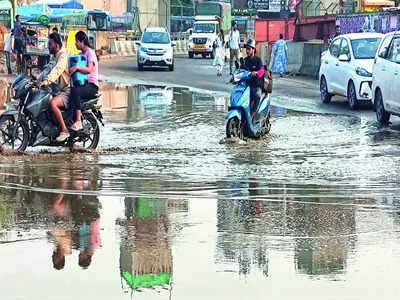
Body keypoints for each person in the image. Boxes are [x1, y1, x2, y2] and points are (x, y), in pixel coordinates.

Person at [38, 32, 71, 142]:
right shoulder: (55, 56)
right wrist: (37, 80)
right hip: (58, 89)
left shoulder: (62, 56)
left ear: (56, 45)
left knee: (53, 103)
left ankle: (64, 130)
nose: (48, 46)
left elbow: (58, 69)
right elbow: (48, 70)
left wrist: (46, 81)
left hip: (67, 90)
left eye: (50, 44)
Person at [69, 31, 99, 132]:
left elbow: (89, 69)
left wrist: (77, 67)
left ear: (82, 42)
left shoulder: (90, 53)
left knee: (75, 91)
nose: (75, 43)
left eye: (77, 41)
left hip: (91, 86)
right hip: (83, 84)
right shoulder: (80, 54)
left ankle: (78, 121)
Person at [242, 39, 264, 118]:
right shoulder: (245, 60)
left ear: (253, 49)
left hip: (256, 85)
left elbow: (262, 70)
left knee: (257, 95)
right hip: (247, 85)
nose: (247, 51)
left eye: (249, 49)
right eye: (246, 49)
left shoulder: (258, 60)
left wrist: (257, 73)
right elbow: (240, 70)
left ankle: (253, 114)